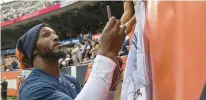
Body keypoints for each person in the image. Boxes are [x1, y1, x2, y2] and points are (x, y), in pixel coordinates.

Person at [16, 16, 126, 100]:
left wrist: (109, 89)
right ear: (33, 49)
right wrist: (105, 55)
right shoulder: (32, 89)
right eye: (46, 35)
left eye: (54, 33)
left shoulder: (70, 80)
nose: (55, 37)